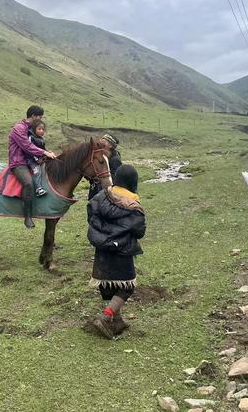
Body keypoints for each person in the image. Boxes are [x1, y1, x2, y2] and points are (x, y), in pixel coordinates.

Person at [87, 164, 146, 339]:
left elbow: (91, 217)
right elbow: (139, 232)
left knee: (107, 285)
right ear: (133, 183)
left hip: (102, 250)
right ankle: (106, 316)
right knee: (127, 286)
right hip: (122, 252)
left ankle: (117, 320)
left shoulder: (99, 197)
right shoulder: (133, 207)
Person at [8, 105, 56, 228]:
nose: (41, 119)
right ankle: (27, 216)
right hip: (19, 162)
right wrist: (44, 153)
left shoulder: (33, 128)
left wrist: (47, 152)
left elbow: (37, 145)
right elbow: (26, 146)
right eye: (40, 117)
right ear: (33, 116)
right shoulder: (18, 128)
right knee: (28, 183)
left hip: (33, 160)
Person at [88, 133, 122, 200]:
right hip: (95, 189)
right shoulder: (101, 155)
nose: (101, 141)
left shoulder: (115, 160)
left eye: (105, 141)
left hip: (105, 192)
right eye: (102, 139)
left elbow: (115, 178)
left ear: (110, 146)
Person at [28, 118, 47, 197]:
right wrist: (36, 159)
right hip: (32, 160)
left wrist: (47, 154)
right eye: (39, 129)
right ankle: (38, 189)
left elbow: (43, 150)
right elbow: (30, 150)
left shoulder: (42, 139)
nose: (41, 131)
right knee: (37, 172)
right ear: (34, 129)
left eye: (43, 129)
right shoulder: (31, 138)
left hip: (40, 159)